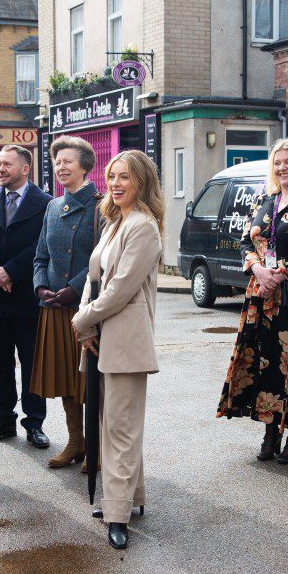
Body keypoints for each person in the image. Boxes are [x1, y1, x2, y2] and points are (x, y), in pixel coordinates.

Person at [217, 139, 288, 463]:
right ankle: (270, 433)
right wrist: (257, 268)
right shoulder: (263, 200)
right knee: (265, 365)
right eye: (278, 163)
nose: (283, 168)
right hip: (262, 301)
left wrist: (277, 275)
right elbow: (245, 241)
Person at [72, 150, 163, 550]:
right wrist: (85, 323)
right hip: (102, 334)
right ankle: (129, 497)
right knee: (111, 423)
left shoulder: (143, 226)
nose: (115, 183)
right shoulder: (115, 222)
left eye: (124, 176)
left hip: (125, 339)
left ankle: (118, 513)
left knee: (121, 428)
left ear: (141, 181)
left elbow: (120, 289)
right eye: (112, 176)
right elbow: (94, 281)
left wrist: (81, 320)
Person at [0, 145, 53, 449]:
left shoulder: (45, 203)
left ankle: (35, 424)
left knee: (31, 362)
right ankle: (2, 420)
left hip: (26, 297)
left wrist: (11, 272)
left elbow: (43, 246)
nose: (0, 169)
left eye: (7, 164)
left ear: (25, 169)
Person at [32, 136, 101, 471]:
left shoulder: (101, 207)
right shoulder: (51, 207)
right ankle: (76, 442)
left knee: (90, 380)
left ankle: (96, 447)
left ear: (85, 166)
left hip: (86, 306)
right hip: (54, 308)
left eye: (67, 161)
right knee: (65, 379)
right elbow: (40, 256)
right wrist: (41, 287)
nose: (61, 167)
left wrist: (74, 289)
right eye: (57, 162)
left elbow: (104, 260)